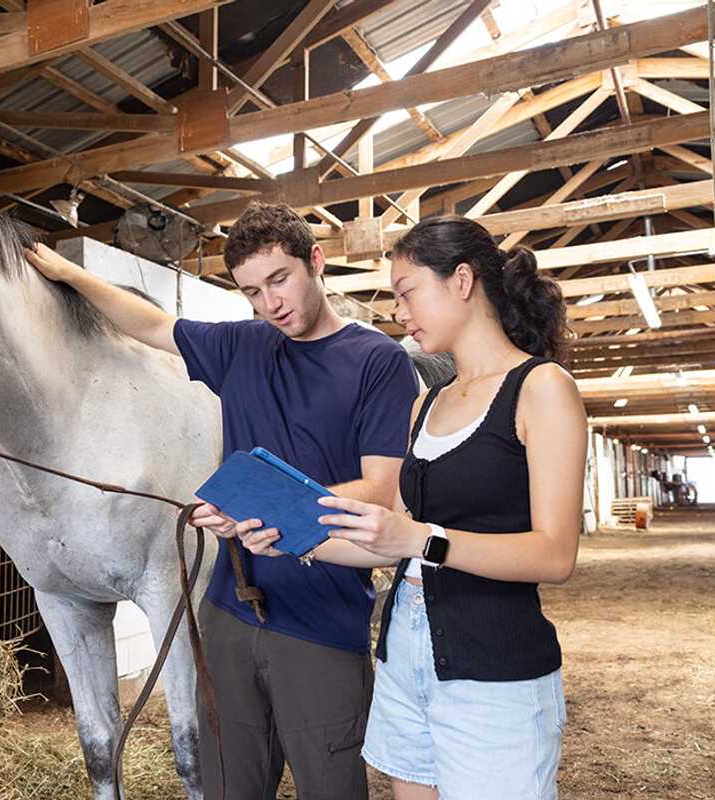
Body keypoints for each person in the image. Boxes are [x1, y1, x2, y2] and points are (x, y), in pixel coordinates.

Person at [24, 201, 419, 799]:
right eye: (252, 292)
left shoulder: (377, 362)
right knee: (230, 784)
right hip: (232, 607)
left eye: (279, 280)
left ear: (315, 261)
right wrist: (74, 275)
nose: (270, 304)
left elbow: (379, 490)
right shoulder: (244, 346)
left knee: (330, 785)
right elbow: (153, 326)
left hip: (321, 616)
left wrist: (260, 511)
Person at [243, 215, 587, 800]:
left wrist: (423, 540)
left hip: (494, 672)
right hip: (405, 654)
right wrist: (288, 534)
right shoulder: (425, 404)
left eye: (407, 293)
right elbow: (383, 536)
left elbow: (554, 555)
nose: (400, 313)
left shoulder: (541, 388)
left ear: (461, 280)